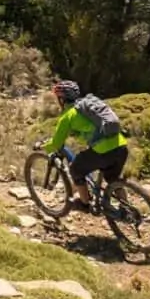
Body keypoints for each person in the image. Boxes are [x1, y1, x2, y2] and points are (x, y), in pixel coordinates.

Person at [42, 80, 128, 212]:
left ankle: (85, 204)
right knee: (112, 178)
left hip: (103, 152)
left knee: (76, 169)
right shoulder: (88, 106)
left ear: (62, 99)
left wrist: (43, 146)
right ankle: (127, 209)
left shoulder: (68, 116)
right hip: (121, 145)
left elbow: (56, 144)